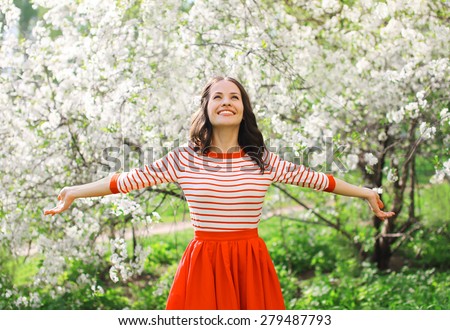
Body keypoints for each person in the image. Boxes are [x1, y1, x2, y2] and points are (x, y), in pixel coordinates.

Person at [44, 76, 395, 310]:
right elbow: (124, 180)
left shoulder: (263, 161)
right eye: (218, 97)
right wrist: (74, 192)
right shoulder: (183, 159)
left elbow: (320, 180)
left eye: (235, 97)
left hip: (250, 262)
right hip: (204, 263)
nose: (227, 102)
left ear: (243, 109)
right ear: (206, 109)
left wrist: (365, 192)